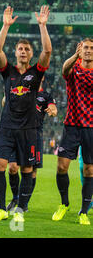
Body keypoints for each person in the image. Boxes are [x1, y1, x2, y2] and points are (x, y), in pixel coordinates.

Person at [0, 5, 52, 223]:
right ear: (15, 52)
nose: (23, 51)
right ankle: (0, 208)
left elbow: (48, 52)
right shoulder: (9, 71)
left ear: (31, 54)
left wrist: (42, 26)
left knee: (26, 169)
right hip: (7, 127)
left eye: (27, 49)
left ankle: (21, 208)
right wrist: (5, 26)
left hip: (28, 129)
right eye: (20, 49)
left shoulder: (36, 73)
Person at [53, 39, 93, 225]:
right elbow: (63, 70)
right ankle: (64, 203)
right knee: (61, 167)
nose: (89, 51)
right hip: (72, 124)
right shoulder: (74, 68)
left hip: (91, 127)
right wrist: (75, 56)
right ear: (80, 49)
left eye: (92, 48)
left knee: (89, 169)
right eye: (86, 48)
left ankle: (84, 211)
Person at [5, 76, 57, 212]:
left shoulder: (45, 96)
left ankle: (24, 203)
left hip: (35, 135)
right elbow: (6, 102)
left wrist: (53, 111)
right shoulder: (21, 91)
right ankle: (15, 198)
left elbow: (53, 107)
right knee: (12, 168)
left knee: (32, 171)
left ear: (42, 78)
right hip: (17, 133)